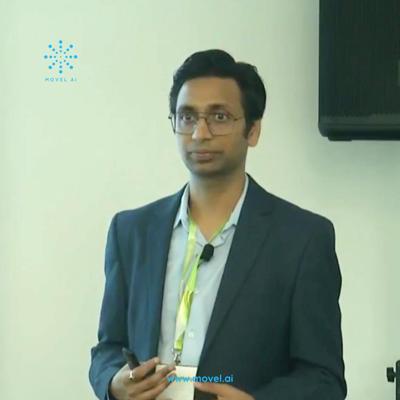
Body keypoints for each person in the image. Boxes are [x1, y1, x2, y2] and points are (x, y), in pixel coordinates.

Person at [89, 49, 347, 400]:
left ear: (253, 130)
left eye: (219, 117)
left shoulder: (302, 239)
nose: (200, 133)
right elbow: (107, 349)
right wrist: (113, 383)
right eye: (187, 117)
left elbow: (324, 379)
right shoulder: (131, 232)